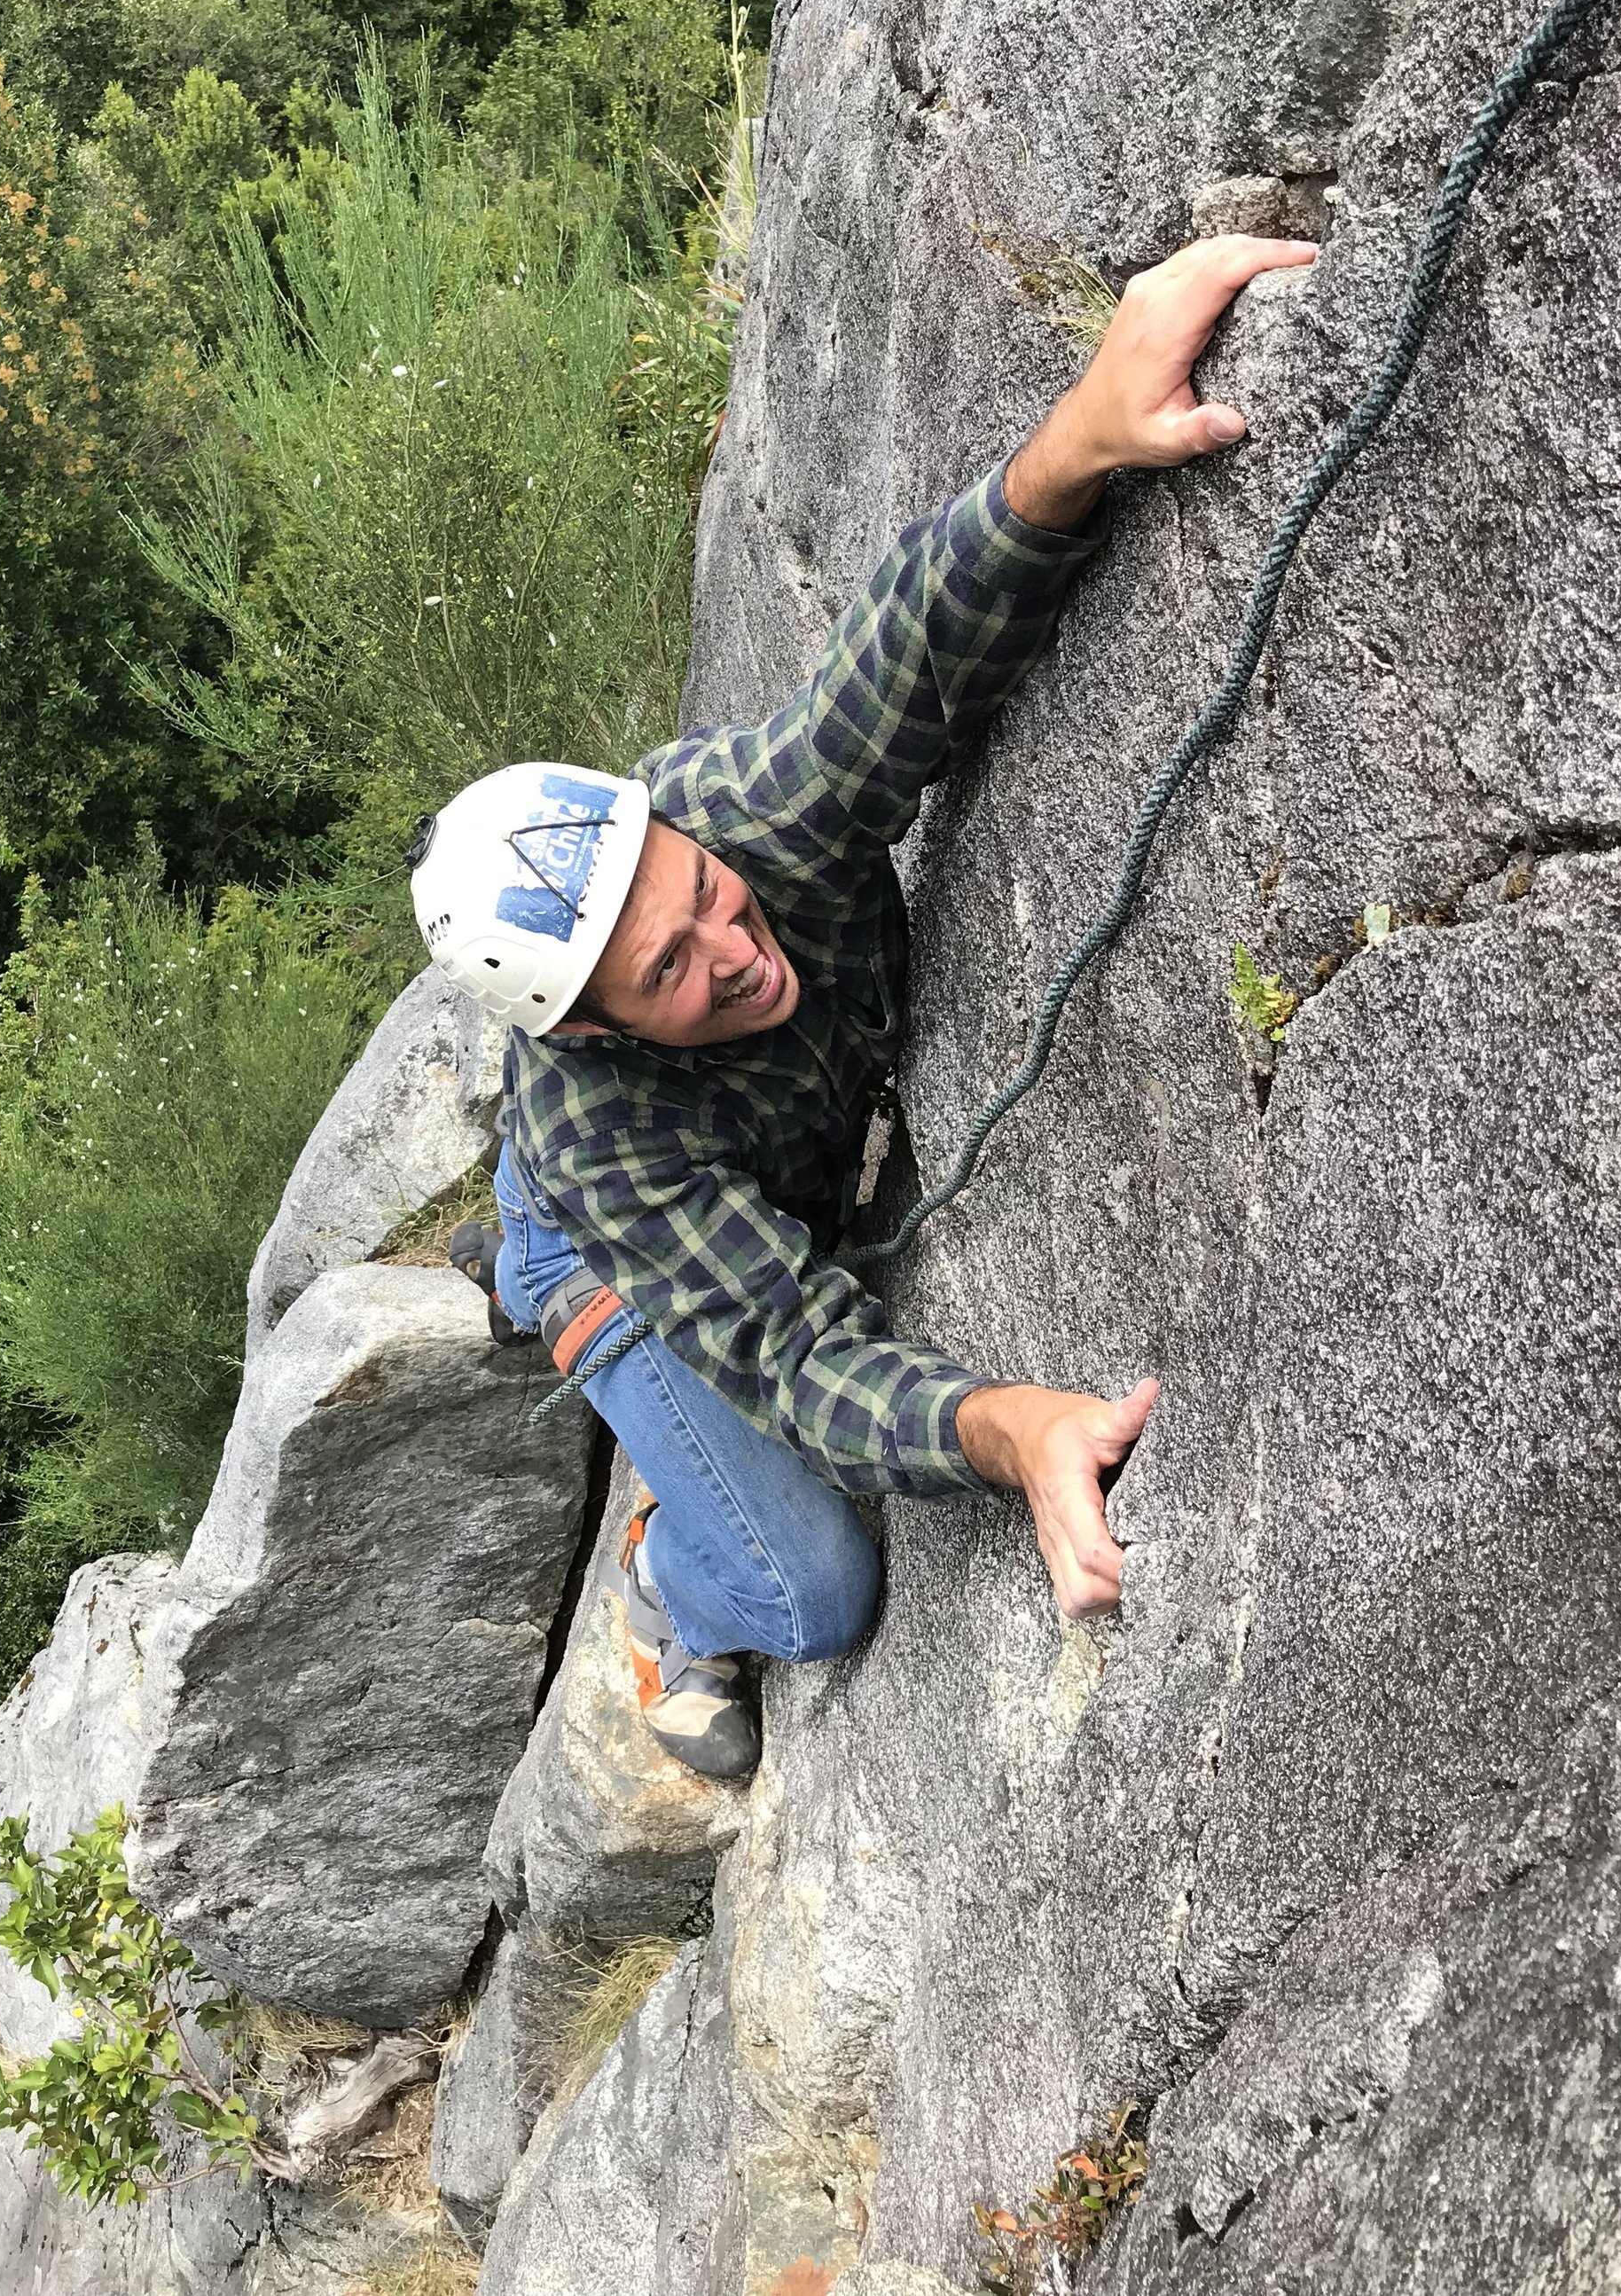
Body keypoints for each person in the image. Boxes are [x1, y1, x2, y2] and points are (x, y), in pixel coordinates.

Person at [408, 235, 1319, 1779]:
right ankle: (661, 1561)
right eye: (672, 975)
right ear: (591, 1031)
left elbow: (892, 672)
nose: (731, 949)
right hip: (608, 1239)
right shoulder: (610, 1133)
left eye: (701, 897)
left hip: (727, 1171)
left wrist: (1089, 427)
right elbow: (803, 1357)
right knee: (810, 1592)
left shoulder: (720, 823)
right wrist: (1017, 1426)